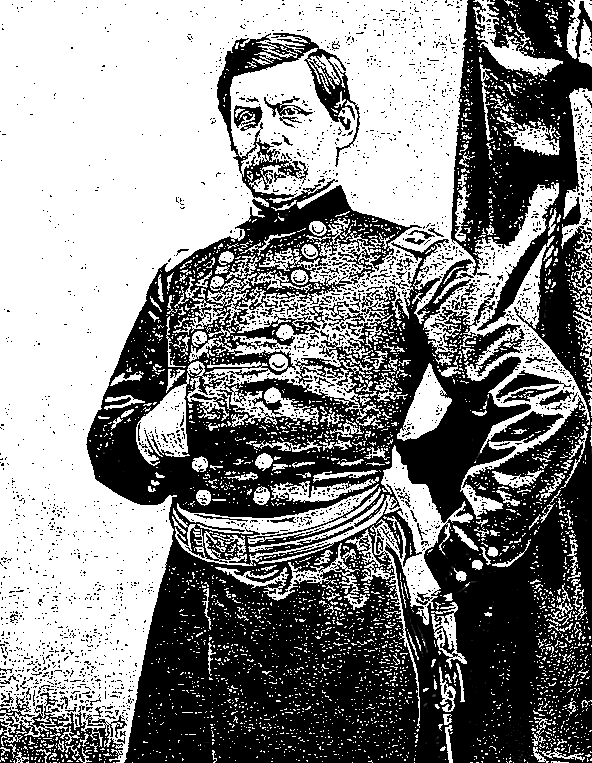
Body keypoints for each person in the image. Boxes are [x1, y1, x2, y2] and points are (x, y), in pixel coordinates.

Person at [87, 33, 589, 763]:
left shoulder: (412, 263)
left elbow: (546, 404)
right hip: (199, 611)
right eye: (246, 119)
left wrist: (455, 557)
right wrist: (152, 435)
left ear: (342, 123)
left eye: (291, 113)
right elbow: (109, 446)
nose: (267, 138)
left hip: (349, 606)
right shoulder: (184, 277)